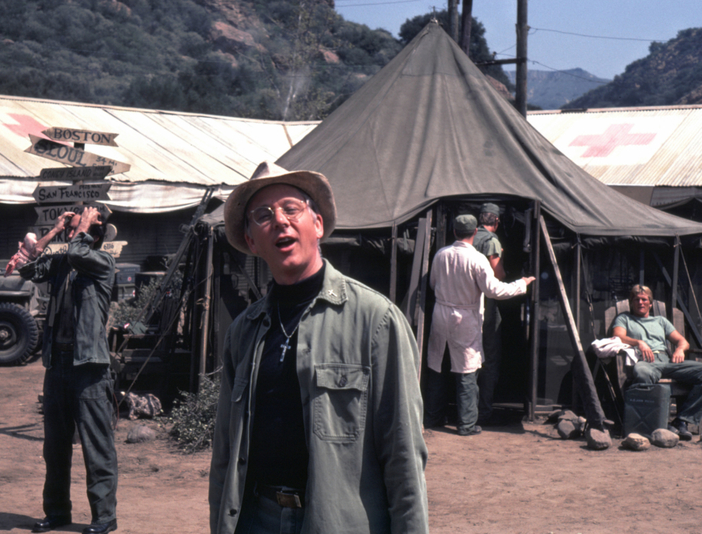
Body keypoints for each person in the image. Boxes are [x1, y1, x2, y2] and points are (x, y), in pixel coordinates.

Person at [209, 162, 428, 534]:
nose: (279, 221)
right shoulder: (243, 332)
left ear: (318, 224)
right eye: (262, 215)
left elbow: (403, 455)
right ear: (250, 241)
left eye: (291, 209)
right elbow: (226, 450)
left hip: (338, 521)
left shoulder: (376, 321)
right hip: (255, 519)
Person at [17, 208, 119, 534]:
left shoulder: (102, 264)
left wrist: (82, 226)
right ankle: (58, 512)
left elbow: (77, 250)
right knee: (55, 448)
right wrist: (55, 230)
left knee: (96, 447)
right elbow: (28, 269)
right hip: (57, 365)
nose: (70, 234)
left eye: (78, 229)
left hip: (89, 368)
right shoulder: (64, 262)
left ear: (94, 235)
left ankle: (104, 517)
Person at [426, 214, 534, 436]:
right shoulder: (477, 259)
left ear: (454, 232)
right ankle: (466, 424)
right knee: (467, 369)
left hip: (441, 313)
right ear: (475, 233)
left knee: (438, 365)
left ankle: (433, 416)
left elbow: (432, 283)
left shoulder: (440, 254)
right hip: (464, 317)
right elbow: (494, 290)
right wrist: (521, 284)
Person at [611, 284, 702, 441]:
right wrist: (638, 342)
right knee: (642, 373)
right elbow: (618, 337)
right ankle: (655, 423)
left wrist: (680, 349)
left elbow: (682, 341)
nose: (641, 303)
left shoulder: (661, 320)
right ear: (631, 302)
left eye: (644, 299)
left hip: (668, 361)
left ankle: (682, 420)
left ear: (650, 303)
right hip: (645, 361)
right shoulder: (624, 318)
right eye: (637, 299)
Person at [472, 203, 505, 425]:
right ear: (496, 221)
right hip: (488, 305)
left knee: (467, 359)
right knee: (490, 358)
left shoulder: (468, 238)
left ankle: (467, 409)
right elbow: (497, 274)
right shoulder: (491, 241)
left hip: (465, 303)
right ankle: (483, 411)